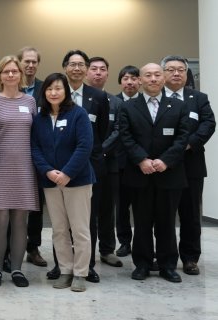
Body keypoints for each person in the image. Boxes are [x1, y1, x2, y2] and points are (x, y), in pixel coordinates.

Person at [120, 63, 189, 283]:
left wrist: (165, 160)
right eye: (148, 75)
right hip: (139, 174)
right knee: (141, 222)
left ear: (163, 78)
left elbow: (183, 137)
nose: (153, 79)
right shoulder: (128, 106)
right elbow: (125, 136)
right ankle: (143, 263)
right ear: (140, 80)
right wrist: (141, 159)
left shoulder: (178, 106)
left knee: (167, 222)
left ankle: (168, 265)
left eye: (157, 74)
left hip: (169, 174)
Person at [47, 50, 109, 283]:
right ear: (65, 67)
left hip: (88, 168)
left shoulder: (98, 96)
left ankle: (86, 267)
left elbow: (100, 132)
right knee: (60, 224)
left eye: (81, 64)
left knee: (85, 222)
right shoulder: (51, 101)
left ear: (86, 68)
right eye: (72, 64)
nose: (76, 68)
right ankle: (61, 266)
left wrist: (75, 166)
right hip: (55, 172)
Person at [31, 73, 95, 292]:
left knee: (79, 229)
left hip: (77, 181)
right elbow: (35, 148)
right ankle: (66, 270)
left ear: (66, 91)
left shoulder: (78, 114)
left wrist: (67, 173)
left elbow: (85, 146)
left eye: (58, 88)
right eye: (49, 89)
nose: (53, 93)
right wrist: (48, 171)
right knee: (59, 229)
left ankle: (81, 273)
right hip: (51, 182)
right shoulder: (39, 118)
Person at [0, 55, 38, 288]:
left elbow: (36, 136)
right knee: (0, 219)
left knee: (20, 221)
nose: (11, 75)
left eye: (15, 71)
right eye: (6, 71)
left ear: (21, 74)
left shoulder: (30, 101)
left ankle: (16, 269)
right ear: (0, 76)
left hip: (24, 168)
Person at [162, 55, 215, 276]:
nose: (176, 73)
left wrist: (189, 144)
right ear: (163, 73)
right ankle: (165, 257)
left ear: (186, 73)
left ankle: (190, 258)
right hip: (164, 165)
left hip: (192, 164)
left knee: (191, 215)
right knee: (164, 215)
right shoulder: (155, 96)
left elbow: (209, 123)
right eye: (171, 69)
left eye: (181, 70)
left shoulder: (198, 98)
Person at [86, 56, 125, 268]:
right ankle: (84, 251)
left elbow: (119, 129)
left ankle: (107, 250)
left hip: (108, 163)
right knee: (84, 211)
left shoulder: (116, 102)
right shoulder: (78, 99)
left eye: (102, 69)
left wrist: (100, 151)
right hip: (82, 164)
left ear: (108, 74)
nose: (98, 72)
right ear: (87, 72)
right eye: (94, 69)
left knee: (107, 208)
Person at [17, 46, 47, 268]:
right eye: (26, 61)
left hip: (39, 154)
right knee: (12, 203)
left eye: (34, 62)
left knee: (36, 203)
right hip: (13, 154)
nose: (30, 65)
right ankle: (9, 248)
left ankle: (33, 247)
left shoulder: (46, 88)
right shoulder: (9, 86)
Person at [115, 65, 141, 258]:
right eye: (125, 78)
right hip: (119, 163)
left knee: (142, 207)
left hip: (141, 163)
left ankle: (142, 242)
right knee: (121, 206)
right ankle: (124, 242)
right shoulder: (113, 101)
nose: (130, 82)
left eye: (133, 78)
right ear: (120, 82)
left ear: (140, 81)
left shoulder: (147, 102)